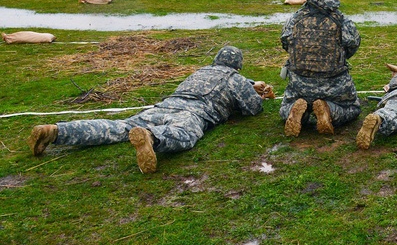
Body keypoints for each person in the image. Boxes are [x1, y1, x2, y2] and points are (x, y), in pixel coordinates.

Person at [27, 47, 273, 174]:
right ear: (238, 66)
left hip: (164, 105)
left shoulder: (200, 71)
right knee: (184, 135)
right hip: (193, 114)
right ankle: (153, 138)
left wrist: (251, 84)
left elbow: (222, 78)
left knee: (118, 126)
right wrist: (259, 94)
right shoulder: (236, 79)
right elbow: (253, 109)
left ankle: (56, 131)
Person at [280, 0, 361, 137]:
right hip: (335, 85)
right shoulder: (342, 20)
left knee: (283, 109)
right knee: (352, 109)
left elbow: (286, 43)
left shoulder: (294, 19)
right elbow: (352, 46)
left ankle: (297, 112)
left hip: (299, 85)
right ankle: (329, 110)